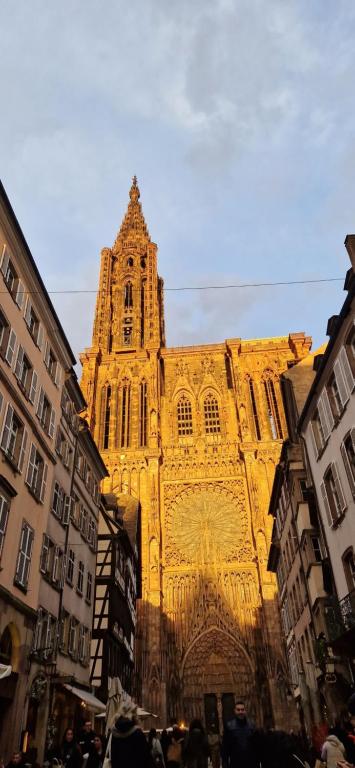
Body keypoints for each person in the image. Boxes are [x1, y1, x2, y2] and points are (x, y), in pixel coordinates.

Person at [110, 699, 150, 768]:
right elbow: (145, 758)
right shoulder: (138, 733)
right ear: (134, 714)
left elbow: (113, 758)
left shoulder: (114, 733)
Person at [222, 701, 259, 768]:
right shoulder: (229, 726)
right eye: (238, 710)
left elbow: (256, 747)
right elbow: (225, 748)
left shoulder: (252, 725)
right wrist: (225, 764)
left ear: (245, 711)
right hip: (236, 763)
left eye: (242, 710)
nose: (240, 712)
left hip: (251, 763)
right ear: (235, 711)